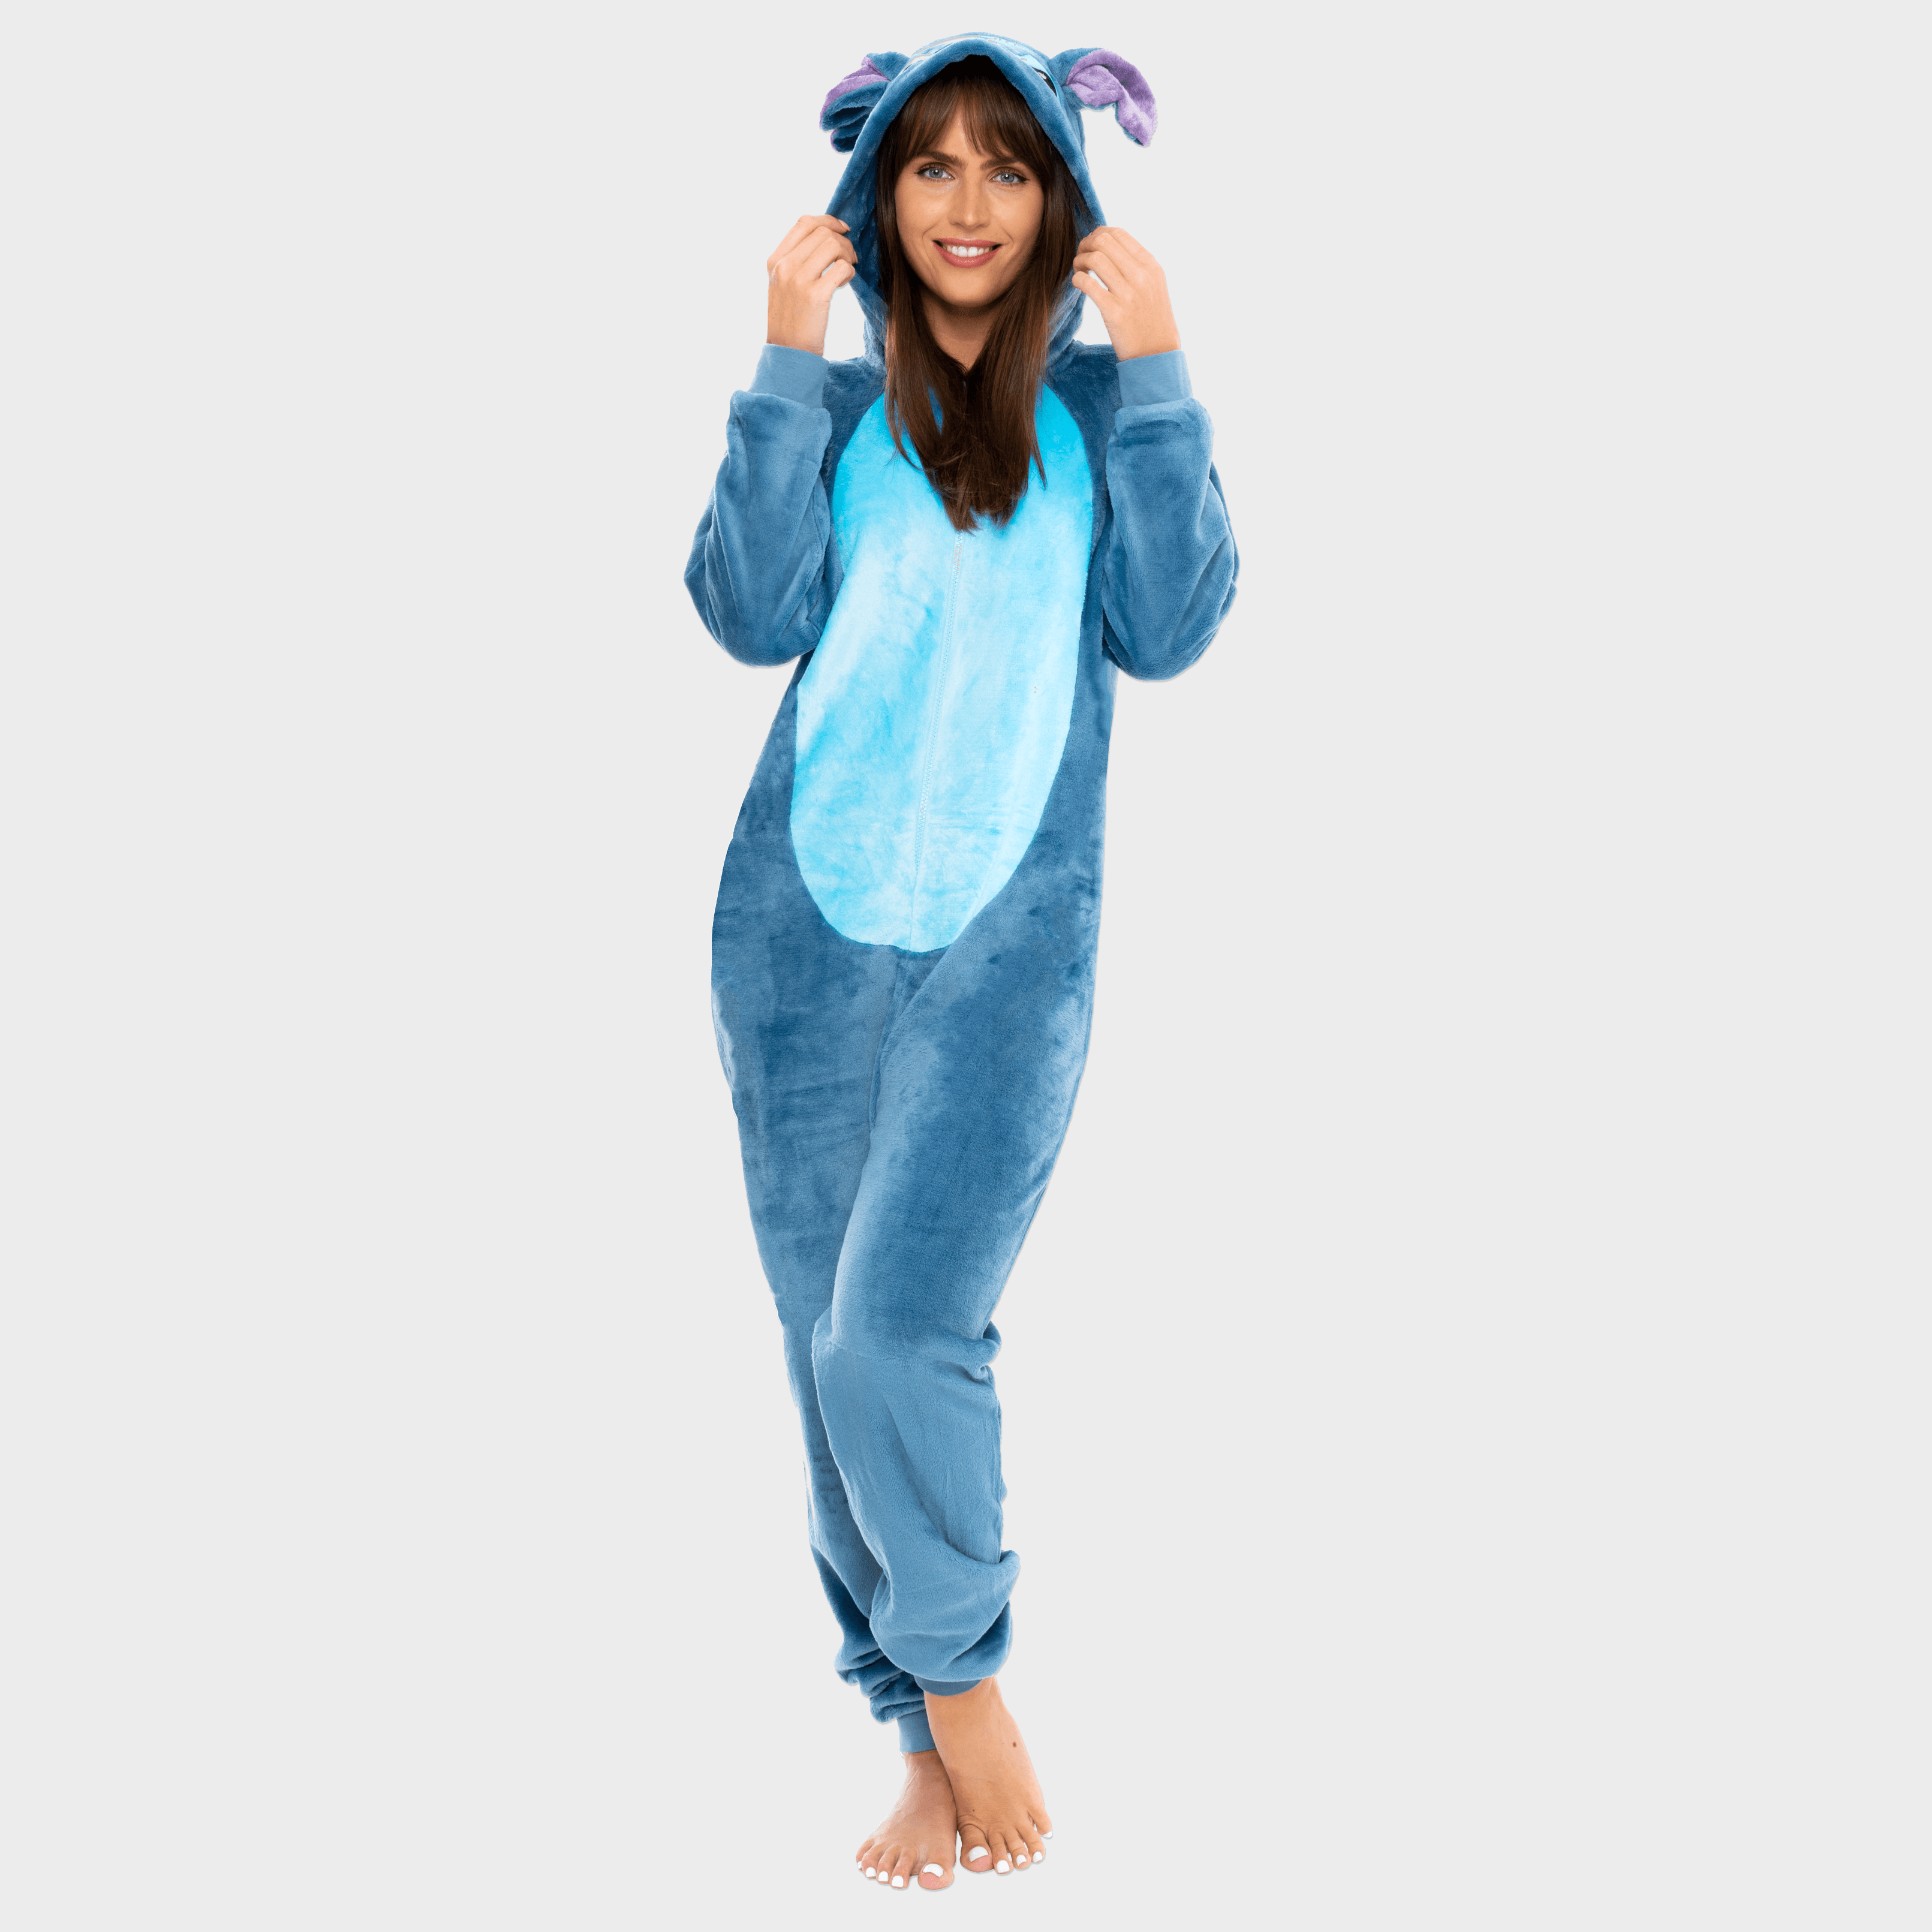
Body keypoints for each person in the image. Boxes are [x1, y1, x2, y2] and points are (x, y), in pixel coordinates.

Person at [685, 32, 1238, 1891]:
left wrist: (1160, 373)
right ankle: (915, 1730)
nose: (970, 204)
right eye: (931, 165)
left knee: (894, 1332)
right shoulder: (840, 415)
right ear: (876, 194)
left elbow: (1168, 627)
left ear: (1063, 197)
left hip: (1010, 950)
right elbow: (743, 610)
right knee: (816, 1352)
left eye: (1010, 165)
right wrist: (781, 363)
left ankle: (963, 1672)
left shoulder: (1096, 407)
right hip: (798, 941)